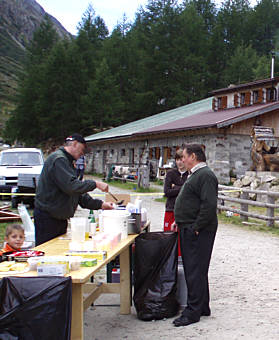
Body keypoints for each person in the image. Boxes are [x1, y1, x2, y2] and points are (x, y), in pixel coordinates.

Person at [34, 133, 114, 246]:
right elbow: (72, 186)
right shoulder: (59, 160)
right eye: (82, 149)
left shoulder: (67, 162)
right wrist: (95, 184)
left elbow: (77, 193)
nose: (82, 153)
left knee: (59, 253)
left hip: (59, 218)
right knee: (47, 253)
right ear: (75, 144)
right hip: (48, 218)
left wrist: (101, 205)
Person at [172, 143, 218, 327]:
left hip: (198, 230)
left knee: (194, 270)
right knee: (198, 269)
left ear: (193, 156)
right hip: (189, 226)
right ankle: (202, 306)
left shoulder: (205, 175)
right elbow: (192, 201)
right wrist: (181, 218)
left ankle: (192, 312)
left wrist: (196, 226)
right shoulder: (197, 175)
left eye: (184, 156)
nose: (182, 160)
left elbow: (209, 205)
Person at [163, 148, 188, 256]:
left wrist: (175, 187)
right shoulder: (170, 173)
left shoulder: (190, 174)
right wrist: (182, 187)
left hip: (184, 211)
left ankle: (180, 257)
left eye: (181, 159)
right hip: (170, 208)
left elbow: (189, 193)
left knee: (182, 236)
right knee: (168, 234)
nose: (179, 162)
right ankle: (168, 257)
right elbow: (167, 192)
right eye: (177, 159)